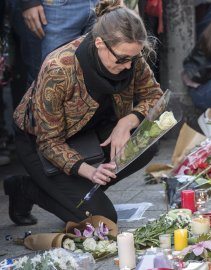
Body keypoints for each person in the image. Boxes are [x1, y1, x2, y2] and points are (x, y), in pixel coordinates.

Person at [4, 0, 163, 226]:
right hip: (40, 144)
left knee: (144, 142)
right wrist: (88, 171)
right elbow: (48, 142)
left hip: (85, 133)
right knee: (102, 221)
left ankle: (77, 195)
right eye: (122, 59)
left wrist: (126, 122)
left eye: (134, 58)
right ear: (99, 43)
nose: (129, 66)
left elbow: (155, 97)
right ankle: (24, 187)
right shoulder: (60, 68)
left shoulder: (130, 55)